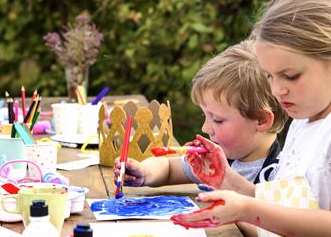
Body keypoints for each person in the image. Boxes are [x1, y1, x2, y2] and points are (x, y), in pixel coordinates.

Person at [174, 0, 331, 237]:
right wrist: (227, 181)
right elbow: (287, 206)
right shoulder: (305, 122)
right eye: (270, 77)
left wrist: (246, 209)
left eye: (290, 76)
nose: (277, 91)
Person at [114, 40, 288, 187]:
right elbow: (168, 167)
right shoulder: (220, 158)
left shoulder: (278, 178)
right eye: (205, 116)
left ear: (261, 120)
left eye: (218, 120)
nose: (206, 128)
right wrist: (143, 173)